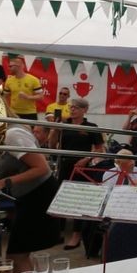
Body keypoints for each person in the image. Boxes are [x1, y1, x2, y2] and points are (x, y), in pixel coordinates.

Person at [0, 89, 61, 272]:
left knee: (16, 256)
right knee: (18, 254)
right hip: (29, 195)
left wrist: (2, 183)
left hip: (39, 195)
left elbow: (41, 168)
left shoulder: (12, 134)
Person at [48, 97, 103, 251]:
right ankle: (58, 233)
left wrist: (86, 159)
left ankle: (76, 235)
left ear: (84, 110)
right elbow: (52, 145)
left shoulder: (91, 127)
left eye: (76, 107)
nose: (72, 110)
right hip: (65, 164)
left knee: (79, 199)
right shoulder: (64, 124)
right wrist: (55, 129)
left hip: (82, 166)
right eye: (71, 107)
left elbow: (99, 148)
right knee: (61, 197)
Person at [2, 56, 43, 121]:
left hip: (30, 113)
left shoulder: (33, 80)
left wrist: (28, 97)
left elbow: (41, 97)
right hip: (14, 113)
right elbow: (5, 96)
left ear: (18, 66)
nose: (9, 68)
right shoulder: (9, 80)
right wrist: (7, 109)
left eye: (10, 66)